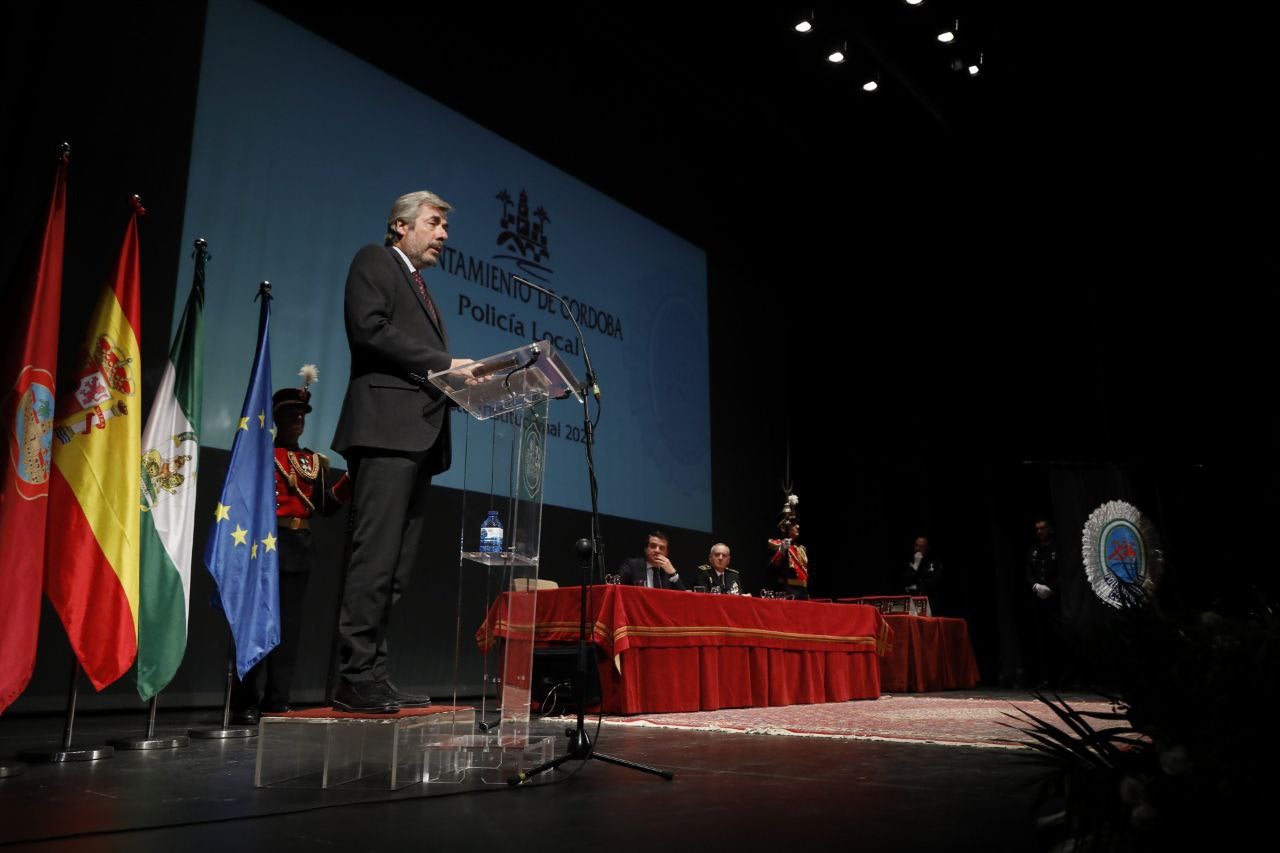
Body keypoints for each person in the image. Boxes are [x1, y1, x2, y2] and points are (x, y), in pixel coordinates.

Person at [330, 190, 473, 713]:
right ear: (400, 226)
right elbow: (369, 331)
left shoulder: (420, 285)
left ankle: (374, 672)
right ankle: (353, 675)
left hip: (418, 439)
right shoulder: (375, 260)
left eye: (444, 227)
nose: (443, 235)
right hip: (386, 431)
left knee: (395, 567)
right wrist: (445, 364)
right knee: (375, 558)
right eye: (435, 223)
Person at [232, 367, 351, 725]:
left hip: (298, 549)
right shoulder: (261, 455)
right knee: (256, 627)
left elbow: (325, 506)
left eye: (301, 416)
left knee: (288, 630)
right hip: (265, 548)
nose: (298, 420)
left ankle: (277, 699)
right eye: (291, 415)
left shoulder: (313, 462)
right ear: (277, 419)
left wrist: (351, 479)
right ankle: (245, 701)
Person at [1023, 518, 1065, 687]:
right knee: (1040, 638)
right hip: (1037, 598)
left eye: (1043, 528)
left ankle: (1061, 675)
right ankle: (1044, 676)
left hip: (1054, 599)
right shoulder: (1033, 550)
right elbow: (1027, 573)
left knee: (1057, 636)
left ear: (1050, 529)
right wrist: (1035, 586)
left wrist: (1051, 588)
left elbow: (1063, 572)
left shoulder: (1057, 549)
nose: (1040, 532)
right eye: (1037, 529)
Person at [768, 496, 809, 599]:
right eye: (793, 524)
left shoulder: (801, 549)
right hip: (788, 590)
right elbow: (772, 568)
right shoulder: (776, 545)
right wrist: (782, 551)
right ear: (783, 528)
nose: (798, 526)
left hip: (803, 591)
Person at [618, 531, 685, 590]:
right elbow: (618, 589)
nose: (657, 550)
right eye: (653, 546)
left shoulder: (668, 571)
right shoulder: (631, 566)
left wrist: (673, 574)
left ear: (666, 553)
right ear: (646, 549)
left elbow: (683, 596)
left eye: (662, 548)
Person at [901, 535, 943, 610]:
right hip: (911, 602)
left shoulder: (935, 562)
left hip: (929, 602)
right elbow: (905, 580)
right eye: (916, 545)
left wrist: (916, 587)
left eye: (921, 547)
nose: (918, 549)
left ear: (927, 548)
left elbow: (934, 583)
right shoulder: (908, 560)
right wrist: (916, 565)